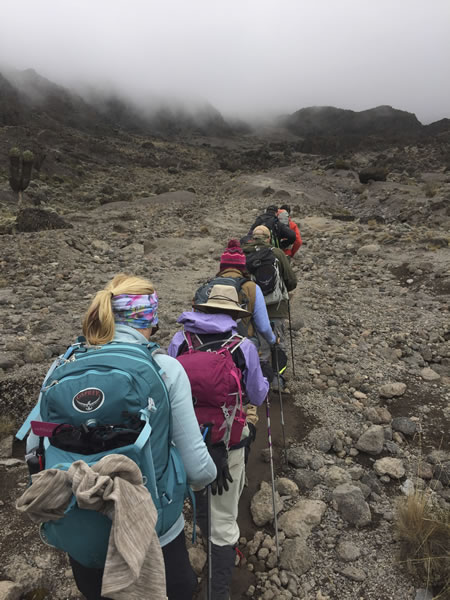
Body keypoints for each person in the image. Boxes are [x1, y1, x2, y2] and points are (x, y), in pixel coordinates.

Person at [22, 274, 217, 600]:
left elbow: (33, 448)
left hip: (82, 531)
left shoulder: (61, 364)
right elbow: (198, 471)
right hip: (154, 536)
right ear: (149, 321)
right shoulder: (165, 368)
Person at [168, 285, 269, 600]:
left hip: (187, 442)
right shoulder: (243, 346)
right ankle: (219, 591)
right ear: (232, 314)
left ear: (200, 308)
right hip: (229, 444)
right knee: (225, 517)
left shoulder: (179, 341)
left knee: (199, 493)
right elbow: (257, 394)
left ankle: (204, 529)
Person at [243, 226, 297, 390]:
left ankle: (254, 382)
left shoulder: (245, 254)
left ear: (252, 238)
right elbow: (291, 282)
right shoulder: (278, 254)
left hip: (250, 309)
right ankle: (276, 381)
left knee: (255, 345)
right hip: (276, 308)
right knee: (277, 345)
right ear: (268, 238)